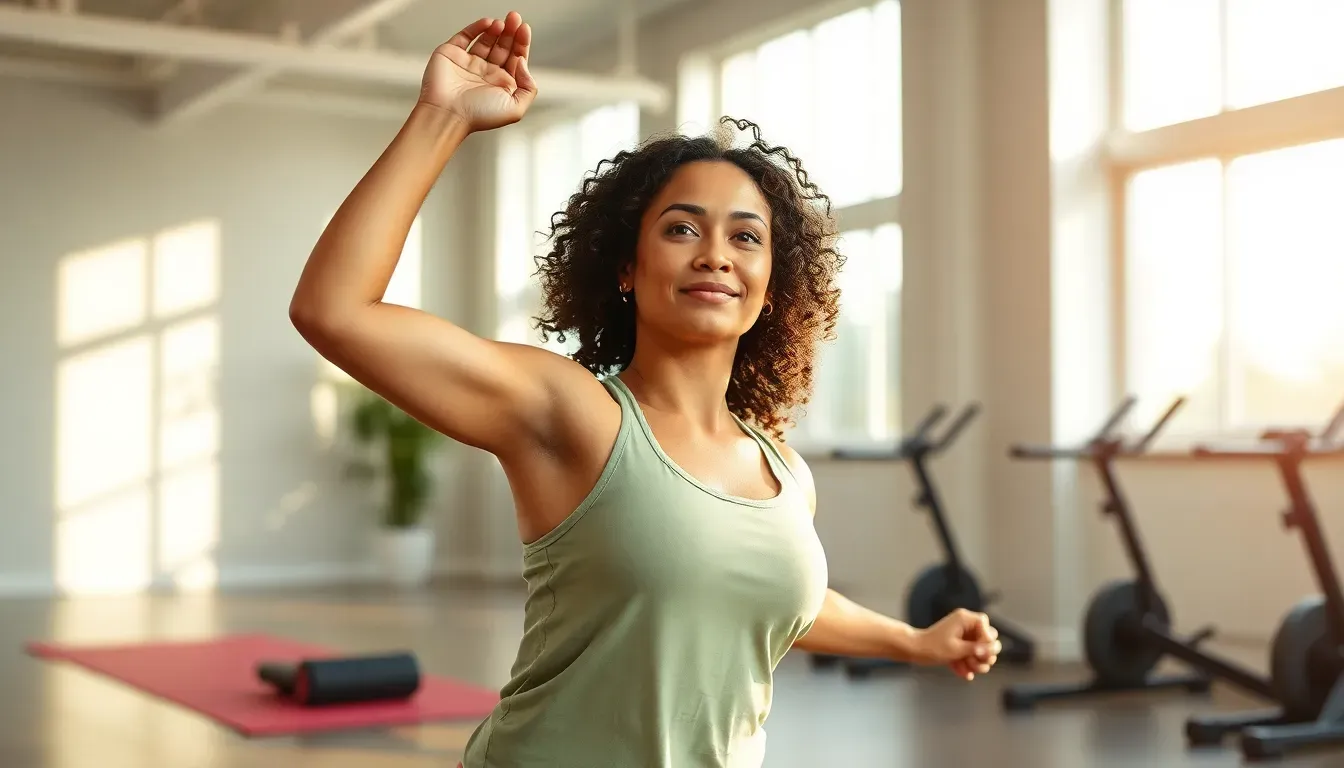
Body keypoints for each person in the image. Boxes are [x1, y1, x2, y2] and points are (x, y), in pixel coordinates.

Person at [290, 11, 1003, 768]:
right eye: (681, 229)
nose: (716, 256)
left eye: (746, 236)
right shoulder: (569, 413)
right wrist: (442, 118)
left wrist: (912, 641)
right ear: (626, 270)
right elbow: (332, 310)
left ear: (771, 290)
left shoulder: (784, 471)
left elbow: (772, 597)